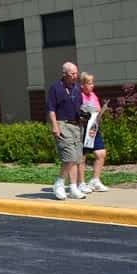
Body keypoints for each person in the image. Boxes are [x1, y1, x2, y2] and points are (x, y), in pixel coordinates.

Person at [46, 61, 88, 199]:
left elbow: (80, 108)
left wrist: (85, 116)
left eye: (76, 73)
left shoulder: (77, 89)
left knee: (76, 158)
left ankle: (73, 187)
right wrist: (54, 125)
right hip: (62, 124)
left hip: (76, 125)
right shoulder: (55, 88)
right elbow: (51, 109)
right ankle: (59, 183)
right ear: (64, 74)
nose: (75, 76)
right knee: (69, 156)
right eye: (72, 74)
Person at [79, 72, 108, 192]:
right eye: (89, 83)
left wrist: (101, 111)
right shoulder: (79, 96)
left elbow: (98, 111)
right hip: (83, 129)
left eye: (92, 83)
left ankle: (95, 180)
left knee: (101, 153)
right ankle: (81, 183)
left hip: (94, 128)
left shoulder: (94, 96)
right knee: (82, 156)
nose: (92, 86)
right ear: (82, 85)